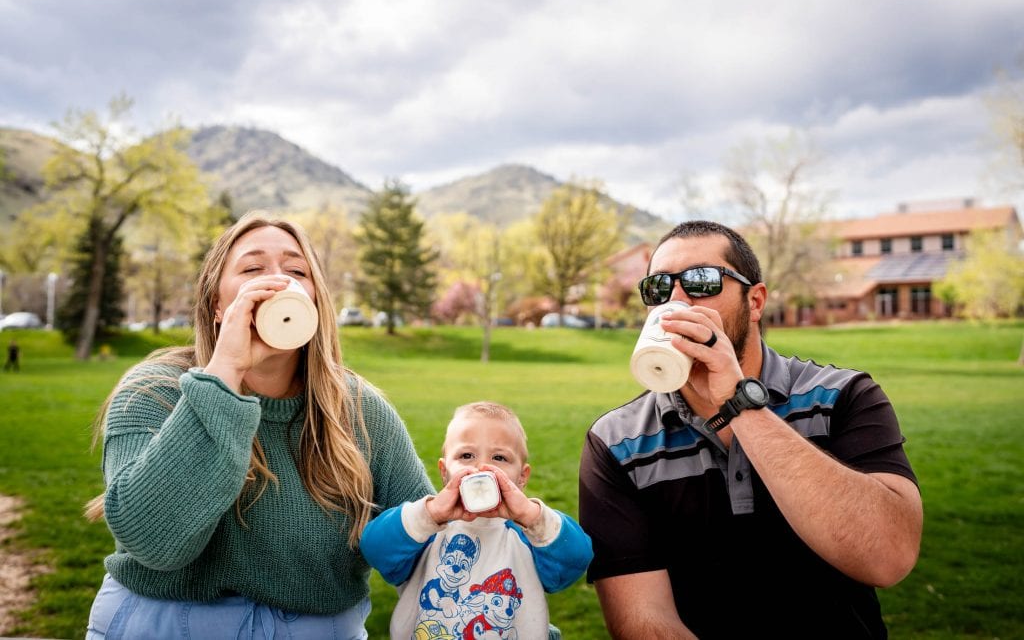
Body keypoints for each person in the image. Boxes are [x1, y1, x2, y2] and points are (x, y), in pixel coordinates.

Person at [84, 212, 434, 639]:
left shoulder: (361, 410)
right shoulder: (153, 392)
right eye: (252, 269)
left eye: (296, 271)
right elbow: (154, 543)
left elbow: (428, 548)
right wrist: (224, 373)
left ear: (316, 301)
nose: (278, 282)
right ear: (217, 304)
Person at [579, 220, 923, 639]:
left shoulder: (841, 397)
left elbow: (887, 557)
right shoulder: (617, 442)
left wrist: (740, 403)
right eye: (658, 288)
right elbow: (643, 622)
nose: (677, 299)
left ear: (755, 301)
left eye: (701, 281)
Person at [361, 401, 593, 640]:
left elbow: (576, 560)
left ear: (522, 478)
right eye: (466, 455)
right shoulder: (425, 529)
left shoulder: (530, 535)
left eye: (500, 457)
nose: (482, 467)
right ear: (444, 471)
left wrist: (531, 515)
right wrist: (429, 513)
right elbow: (375, 549)